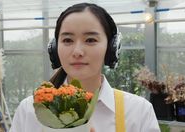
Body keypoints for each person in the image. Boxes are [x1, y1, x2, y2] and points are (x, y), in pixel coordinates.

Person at [10, 3, 160, 132]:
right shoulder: (29, 110)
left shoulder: (138, 112)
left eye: (90, 40)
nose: (77, 52)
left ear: (111, 48)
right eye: (67, 40)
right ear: (55, 49)